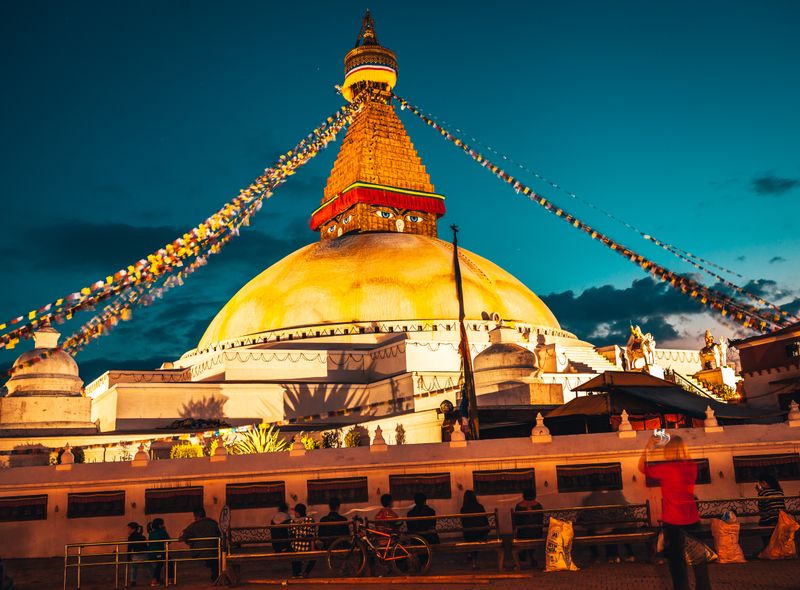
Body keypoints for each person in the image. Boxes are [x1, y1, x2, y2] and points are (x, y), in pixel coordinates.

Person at [639, 434, 710, 590]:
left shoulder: (666, 468)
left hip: (673, 520)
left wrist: (648, 446)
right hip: (692, 517)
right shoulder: (692, 466)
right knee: (699, 560)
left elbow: (643, 467)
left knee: (677, 563)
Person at [178, 507, 221, 582]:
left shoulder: (194, 526)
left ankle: (215, 577)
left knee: (212, 560)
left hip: (200, 552)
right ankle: (216, 577)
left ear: (196, 516)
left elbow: (183, 537)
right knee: (215, 561)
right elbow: (220, 534)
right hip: (214, 551)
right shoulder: (214, 523)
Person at [460, 490, 489, 570]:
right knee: (475, 538)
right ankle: (473, 560)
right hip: (481, 532)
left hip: (469, 534)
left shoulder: (463, 509)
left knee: (470, 537)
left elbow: (464, 523)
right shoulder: (480, 507)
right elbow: (485, 520)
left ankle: (473, 560)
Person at [513, 489, 543, 567]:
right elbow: (541, 520)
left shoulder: (518, 506)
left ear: (523, 496)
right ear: (534, 496)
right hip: (537, 534)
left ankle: (523, 557)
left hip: (523, 534)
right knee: (531, 532)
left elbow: (516, 522)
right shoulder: (538, 505)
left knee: (523, 533)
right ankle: (531, 557)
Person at [757, 475, 786, 549]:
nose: (760, 485)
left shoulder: (764, 492)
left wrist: (759, 492)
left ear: (764, 483)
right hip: (782, 518)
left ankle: (767, 546)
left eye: (760, 484)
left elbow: (761, 507)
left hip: (770, 519)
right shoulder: (780, 491)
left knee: (761, 523)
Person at [289, 503, 317, 578]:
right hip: (307, 547)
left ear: (298, 513)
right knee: (315, 556)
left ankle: (296, 573)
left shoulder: (292, 522)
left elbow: (291, 535)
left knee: (294, 550)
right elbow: (312, 536)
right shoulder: (310, 520)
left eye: (295, 512)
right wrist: (313, 549)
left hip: (295, 548)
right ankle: (306, 572)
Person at [148, 518, 170, 587]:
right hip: (160, 553)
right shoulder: (162, 532)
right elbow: (168, 541)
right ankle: (168, 579)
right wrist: (165, 530)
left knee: (159, 565)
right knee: (163, 564)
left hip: (152, 553)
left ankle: (157, 579)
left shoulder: (151, 533)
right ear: (160, 525)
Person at [126, 522, 148, 587]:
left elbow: (129, 548)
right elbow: (145, 546)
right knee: (149, 566)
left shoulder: (131, 537)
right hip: (144, 554)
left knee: (133, 568)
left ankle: (133, 581)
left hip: (137, 555)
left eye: (128, 529)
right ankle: (155, 578)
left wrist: (128, 557)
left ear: (133, 529)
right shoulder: (141, 536)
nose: (127, 530)